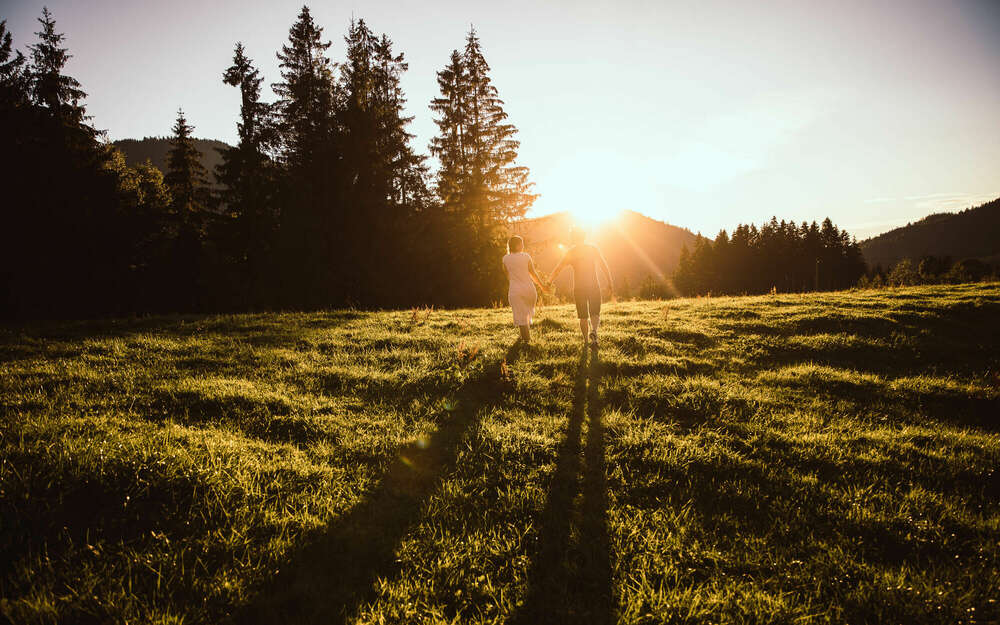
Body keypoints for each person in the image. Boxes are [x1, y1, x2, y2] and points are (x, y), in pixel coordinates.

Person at [550, 227, 613, 348]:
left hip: (579, 288)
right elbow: (603, 265)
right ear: (584, 236)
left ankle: (585, 341)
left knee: (583, 316)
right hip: (593, 285)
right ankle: (594, 333)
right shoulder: (592, 249)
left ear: (573, 238)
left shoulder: (571, 252)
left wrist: (548, 282)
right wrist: (610, 282)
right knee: (595, 312)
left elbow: (558, 268)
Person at [502, 235, 548, 343]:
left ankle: (526, 342)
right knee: (525, 316)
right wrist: (542, 287)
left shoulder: (505, 259)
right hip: (529, 290)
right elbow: (533, 274)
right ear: (517, 245)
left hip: (515, 290)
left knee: (521, 317)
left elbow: (507, 276)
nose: (523, 246)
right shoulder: (526, 256)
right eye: (521, 243)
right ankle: (524, 339)